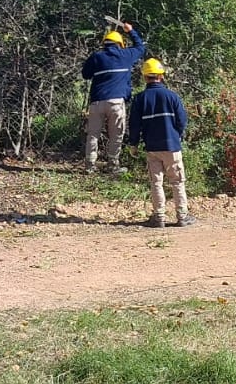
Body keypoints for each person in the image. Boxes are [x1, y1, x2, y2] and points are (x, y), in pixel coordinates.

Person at [126, 58, 193, 228]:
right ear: (161, 76)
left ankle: (159, 217)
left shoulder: (140, 99)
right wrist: (176, 135)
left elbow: (134, 124)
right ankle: (182, 216)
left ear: (144, 77)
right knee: (177, 181)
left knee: (156, 182)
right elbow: (182, 121)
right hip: (172, 147)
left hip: (152, 147)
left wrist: (133, 143)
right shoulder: (172, 96)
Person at [81, 21, 146, 173]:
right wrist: (131, 31)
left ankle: (90, 166)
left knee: (93, 134)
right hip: (116, 102)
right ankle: (113, 165)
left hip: (97, 102)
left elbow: (85, 74)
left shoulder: (96, 56)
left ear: (104, 43)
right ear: (120, 44)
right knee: (116, 134)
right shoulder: (126, 55)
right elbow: (140, 47)